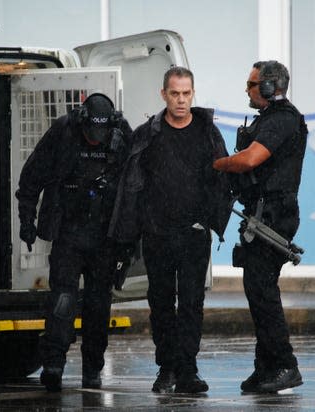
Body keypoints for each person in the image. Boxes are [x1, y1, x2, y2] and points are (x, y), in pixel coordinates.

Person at [109, 67, 233, 394]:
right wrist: (131, 232)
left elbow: (222, 180)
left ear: (194, 93)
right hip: (157, 234)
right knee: (161, 303)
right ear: (163, 95)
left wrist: (208, 220)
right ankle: (167, 368)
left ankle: (188, 370)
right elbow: (131, 186)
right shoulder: (147, 134)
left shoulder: (207, 132)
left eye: (187, 93)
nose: (181, 100)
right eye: (175, 94)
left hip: (193, 235)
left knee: (191, 303)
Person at [16, 93, 133, 392]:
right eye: (91, 135)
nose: (95, 141)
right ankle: (53, 364)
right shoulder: (64, 131)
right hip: (68, 232)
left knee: (97, 305)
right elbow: (31, 178)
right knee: (62, 301)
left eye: (100, 135)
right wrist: (26, 222)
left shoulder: (122, 135)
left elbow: (135, 188)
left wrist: (130, 239)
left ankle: (92, 368)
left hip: (105, 237)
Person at [212, 60, 308, 393]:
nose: (247, 90)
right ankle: (265, 367)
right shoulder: (272, 119)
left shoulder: (282, 119)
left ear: (269, 88)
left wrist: (218, 165)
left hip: (272, 219)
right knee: (258, 292)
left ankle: (284, 365)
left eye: (252, 85)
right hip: (263, 216)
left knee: (263, 294)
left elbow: (251, 159)